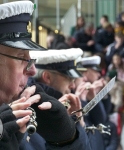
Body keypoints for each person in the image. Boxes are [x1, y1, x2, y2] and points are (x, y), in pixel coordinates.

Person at [0, 1, 94, 150]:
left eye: (32, 61)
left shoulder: (27, 113)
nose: (32, 71)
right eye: (22, 59)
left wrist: (67, 140)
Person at [24, 49, 106, 150]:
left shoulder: (64, 99)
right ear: (47, 77)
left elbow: (100, 125)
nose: (72, 85)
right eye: (69, 78)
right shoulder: (32, 110)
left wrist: (80, 124)